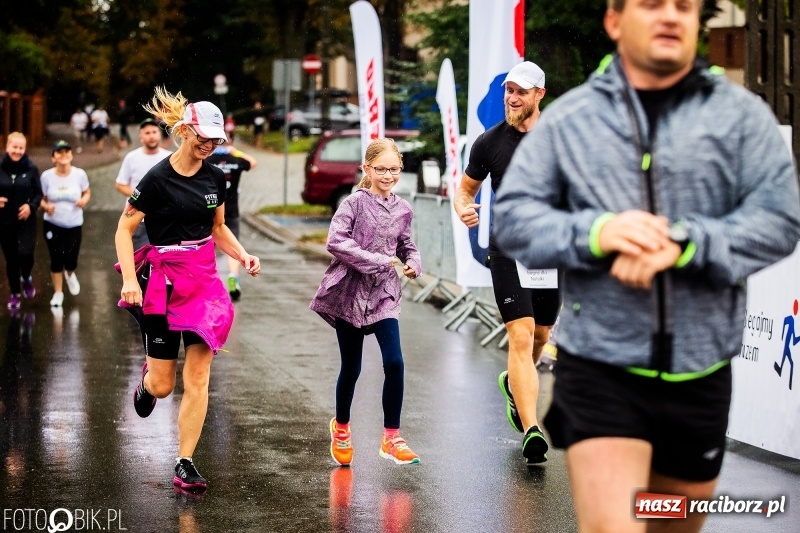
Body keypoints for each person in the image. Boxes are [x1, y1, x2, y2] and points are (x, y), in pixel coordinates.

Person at [493, 1, 800, 531]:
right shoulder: (573, 120)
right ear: (614, 21)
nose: (670, 16)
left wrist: (686, 245)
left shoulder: (739, 115)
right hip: (601, 368)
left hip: (700, 370)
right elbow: (514, 223)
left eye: (683, 6)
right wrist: (597, 233)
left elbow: (780, 220)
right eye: (652, 4)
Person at [115, 87, 261, 492]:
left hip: (203, 283)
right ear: (184, 131)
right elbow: (125, 230)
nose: (209, 146)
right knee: (164, 385)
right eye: (204, 138)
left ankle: (185, 462)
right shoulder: (157, 178)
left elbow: (218, 228)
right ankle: (147, 382)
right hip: (161, 281)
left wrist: (243, 254)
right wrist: (130, 280)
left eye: (216, 141)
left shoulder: (216, 177)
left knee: (198, 377)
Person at [453, 60, 558, 465]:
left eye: (521, 91)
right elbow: (465, 191)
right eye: (509, 91)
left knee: (541, 337)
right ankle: (532, 429)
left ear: (539, 95)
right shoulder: (489, 143)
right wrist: (464, 208)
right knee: (520, 334)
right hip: (507, 251)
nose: (513, 98)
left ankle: (513, 383)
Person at [310, 138, 422, 467]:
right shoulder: (353, 204)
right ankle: (342, 428)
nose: (388, 175)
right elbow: (335, 240)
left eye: (394, 169)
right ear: (367, 169)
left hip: (385, 294)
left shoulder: (404, 209)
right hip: (350, 294)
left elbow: (406, 245)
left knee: (396, 362)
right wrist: (375, 259)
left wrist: (414, 262)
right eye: (381, 169)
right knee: (352, 367)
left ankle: (392, 437)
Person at [39, 140, 91, 307]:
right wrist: (46, 206)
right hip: (52, 223)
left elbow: (86, 192)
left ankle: (70, 273)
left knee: (71, 259)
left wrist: (83, 200)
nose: (63, 155)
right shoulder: (46, 176)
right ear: (53, 157)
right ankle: (58, 293)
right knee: (56, 259)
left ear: (71, 155)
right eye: (59, 152)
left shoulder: (79, 174)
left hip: (74, 223)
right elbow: (41, 197)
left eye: (67, 152)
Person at [206, 137, 257, 300]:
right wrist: (235, 151)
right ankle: (233, 276)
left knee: (209, 246)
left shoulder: (208, 160)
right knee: (233, 248)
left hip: (210, 209)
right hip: (232, 209)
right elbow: (253, 162)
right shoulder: (236, 160)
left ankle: (210, 280)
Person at [115, 118, 172, 249]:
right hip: (138, 220)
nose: (151, 136)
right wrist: (141, 195)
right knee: (141, 260)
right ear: (141, 137)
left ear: (159, 134)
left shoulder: (170, 158)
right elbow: (120, 184)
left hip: (165, 219)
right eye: (147, 133)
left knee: (165, 260)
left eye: (154, 132)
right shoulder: (131, 158)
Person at [0, 132, 42, 310]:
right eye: (14, 147)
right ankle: (15, 294)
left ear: (25, 149)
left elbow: (38, 193)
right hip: (4, 222)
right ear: (7, 147)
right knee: (11, 260)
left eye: (20, 148)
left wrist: (30, 207)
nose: (17, 151)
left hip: (26, 221)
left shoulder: (31, 169)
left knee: (25, 254)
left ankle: (26, 277)